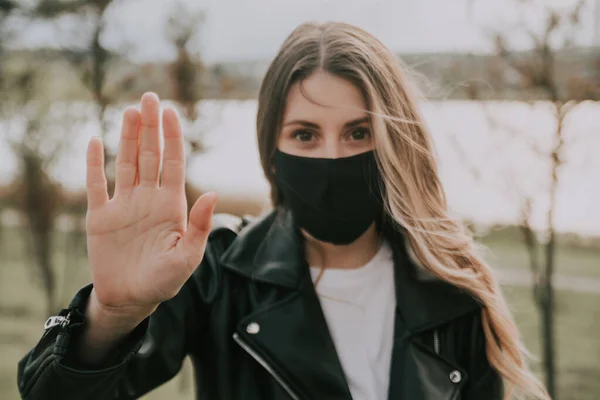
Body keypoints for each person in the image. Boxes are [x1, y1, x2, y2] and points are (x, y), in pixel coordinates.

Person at [17, 22, 549, 400]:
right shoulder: (216, 274)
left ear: (394, 141)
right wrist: (111, 317)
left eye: (359, 132)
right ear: (272, 146)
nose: (333, 157)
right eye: (305, 134)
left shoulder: (452, 290)